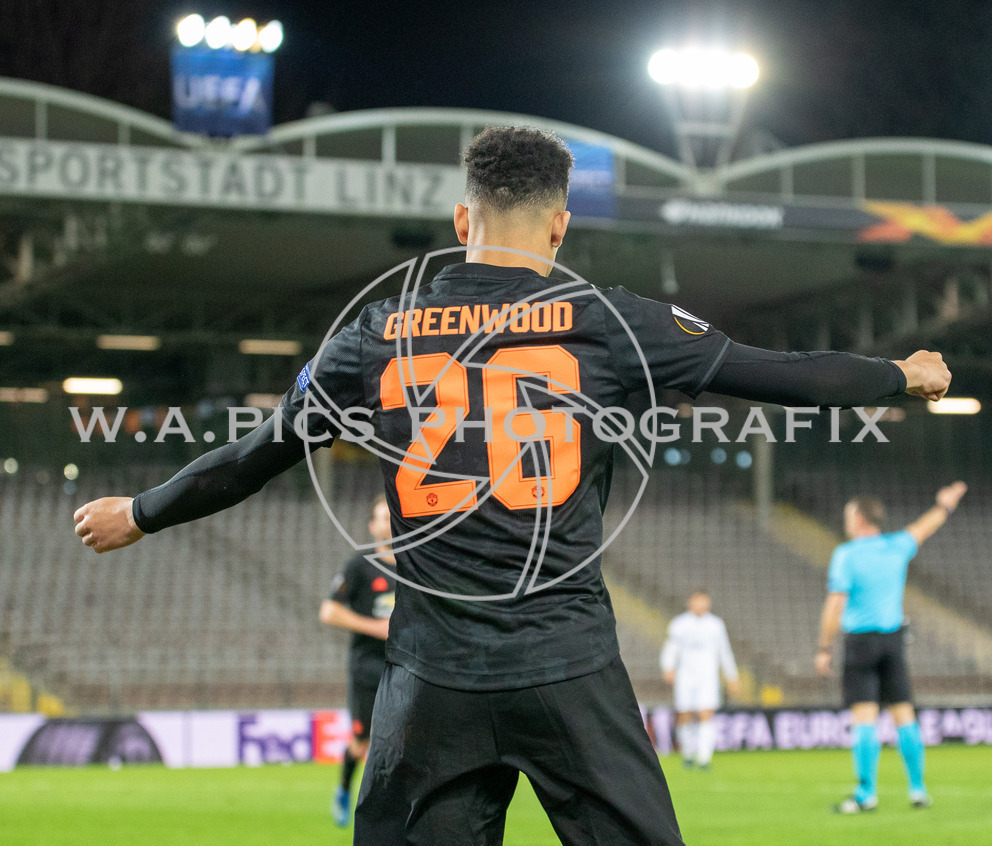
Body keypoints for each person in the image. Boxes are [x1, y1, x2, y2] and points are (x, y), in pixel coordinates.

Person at [73, 126, 953, 845]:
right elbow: (782, 374)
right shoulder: (611, 323)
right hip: (567, 665)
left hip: (430, 681)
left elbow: (254, 453)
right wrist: (898, 373)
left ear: (463, 219)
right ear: (560, 226)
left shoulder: (377, 333)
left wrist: (140, 513)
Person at [815, 481, 968, 814]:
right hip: (893, 641)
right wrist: (944, 506)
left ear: (857, 518)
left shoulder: (847, 555)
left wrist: (823, 646)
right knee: (904, 714)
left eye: (848, 515)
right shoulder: (896, 546)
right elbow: (924, 528)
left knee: (865, 717)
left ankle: (866, 792)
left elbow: (834, 604)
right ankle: (918, 789)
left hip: (860, 643)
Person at [318, 495, 395, 827]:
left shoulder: (419, 565)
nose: (389, 522)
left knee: (405, 741)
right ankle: (344, 790)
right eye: (382, 517)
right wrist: (377, 628)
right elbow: (329, 611)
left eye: (393, 515)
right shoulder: (360, 566)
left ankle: (397, 808)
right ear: (372, 526)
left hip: (408, 666)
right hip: (368, 667)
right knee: (362, 742)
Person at [660, 590, 739, 770]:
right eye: (698, 601)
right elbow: (670, 647)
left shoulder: (716, 624)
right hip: (685, 676)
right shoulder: (679, 624)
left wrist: (732, 676)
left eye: (705, 602)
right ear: (690, 602)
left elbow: (724, 651)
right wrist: (668, 667)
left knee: (706, 713)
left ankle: (704, 758)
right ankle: (688, 753)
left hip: (708, 676)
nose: (702, 605)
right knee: (685, 714)